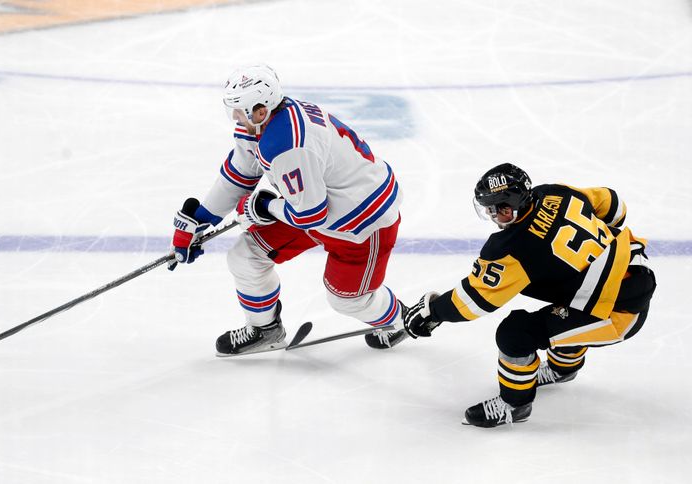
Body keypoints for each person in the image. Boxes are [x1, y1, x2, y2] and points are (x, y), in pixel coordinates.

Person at [169, 64, 408, 356]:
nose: (234, 116)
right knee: (245, 256)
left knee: (347, 300)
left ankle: (402, 320)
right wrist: (200, 219)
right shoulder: (263, 124)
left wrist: (265, 206)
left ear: (260, 110)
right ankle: (265, 330)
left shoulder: (287, 143)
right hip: (315, 204)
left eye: (239, 110)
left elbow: (310, 215)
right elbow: (241, 173)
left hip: (362, 222)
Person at [402, 163, 657, 427]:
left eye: (498, 209)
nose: (492, 215)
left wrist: (433, 311)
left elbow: (474, 301)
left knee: (515, 334)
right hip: (636, 270)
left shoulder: (512, 247)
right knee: (567, 307)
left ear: (514, 204)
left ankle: (515, 404)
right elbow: (613, 206)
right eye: (488, 209)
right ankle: (563, 370)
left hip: (618, 312)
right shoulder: (554, 193)